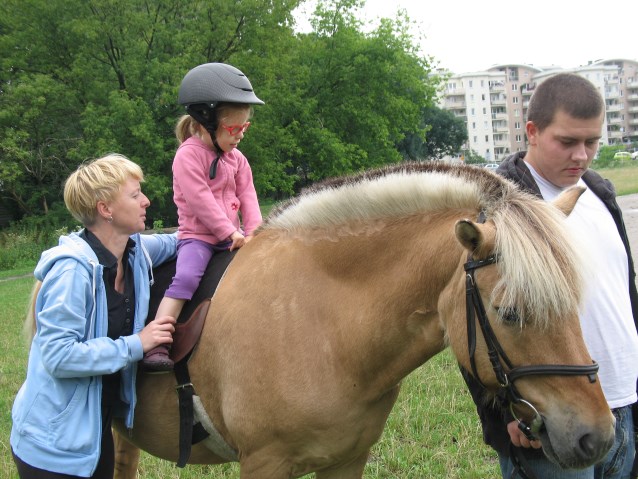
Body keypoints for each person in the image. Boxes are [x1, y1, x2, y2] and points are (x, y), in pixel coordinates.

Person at [463, 72, 638, 479]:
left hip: (623, 406)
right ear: (533, 132)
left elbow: (622, 295)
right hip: (549, 423)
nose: (582, 155)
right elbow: (474, 322)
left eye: (591, 142)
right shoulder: (499, 206)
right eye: (567, 142)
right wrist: (505, 418)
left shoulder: (600, 193)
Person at [10, 154, 177, 478]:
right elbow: (59, 356)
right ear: (105, 209)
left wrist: (228, 230)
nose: (146, 200)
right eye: (134, 195)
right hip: (52, 449)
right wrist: (136, 344)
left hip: (92, 438)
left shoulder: (135, 251)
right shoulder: (72, 272)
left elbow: (180, 241)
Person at [141, 63, 264, 372]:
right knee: (186, 278)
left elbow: (248, 195)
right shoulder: (188, 156)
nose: (240, 137)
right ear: (207, 122)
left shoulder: (237, 159)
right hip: (199, 238)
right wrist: (229, 232)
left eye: (244, 130)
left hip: (231, 236)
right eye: (234, 130)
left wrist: (256, 231)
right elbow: (200, 202)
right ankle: (158, 339)